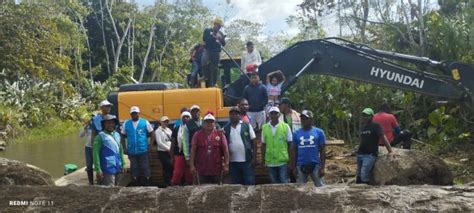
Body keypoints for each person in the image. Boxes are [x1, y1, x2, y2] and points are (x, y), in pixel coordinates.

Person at [357, 108, 395, 184]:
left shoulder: (376, 126)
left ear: (371, 116)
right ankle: (357, 193)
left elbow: (383, 138)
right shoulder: (363, 127)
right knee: (358, 175)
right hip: (360, 154)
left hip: (370, 155)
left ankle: (366, 192)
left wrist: (390, 151)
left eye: (367, 115)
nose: (364, 117)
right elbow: (362, 139)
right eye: (363, 115)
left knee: (364, 174)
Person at [190, 112, 229, 184]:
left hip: (216, 168)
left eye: (211, 122)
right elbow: (193, 150)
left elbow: (225, 149)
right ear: (203, 123)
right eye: (207, 122)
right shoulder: (197, 135)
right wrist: (192, 165)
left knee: (217, 191)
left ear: (214, 123)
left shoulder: (220, 134)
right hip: (202, 169)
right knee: (201, 190)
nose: (209, 124)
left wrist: (226, 165)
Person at [289, 110, 326, 187]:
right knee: (300, 189)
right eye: (302, 119)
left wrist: (322, 167)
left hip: (315, 165)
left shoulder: (319, 132)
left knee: (321, 187)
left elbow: (323, 150)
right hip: (300, 165)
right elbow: (294, 151)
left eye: (306, 118)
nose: (304, 121)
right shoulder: (296, 133)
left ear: (311, 120)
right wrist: (293, 167)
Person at [121, 106, 154, 186]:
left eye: (136, 113)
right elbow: (122, 135)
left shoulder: (145, 122)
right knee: (134, 167)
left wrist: (150, 145)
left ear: (139, 113)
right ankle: (136, 183)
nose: (134, 115)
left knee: (145, 167)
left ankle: (148, 183)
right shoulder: (126, 123)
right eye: (132, 113)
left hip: (143, 150)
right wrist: (124, 148)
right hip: (131, 151)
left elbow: (152, 133)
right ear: (130, 114)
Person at [223, 107, 257, 185]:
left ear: (240, 115)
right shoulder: (225, 128)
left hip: (246, 161)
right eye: (232, 114)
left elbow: (254, 142)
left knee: (249, 182)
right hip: (233, 162)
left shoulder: (246, 126)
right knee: (236, 184)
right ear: (229, 116)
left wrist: (254, 158)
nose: (234, 115)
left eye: (236, 114)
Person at [261, 106, 293, 184]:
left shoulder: (285, 126)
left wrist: (291, 160)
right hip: (270, 161)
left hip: (282, 160)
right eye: (272, 113)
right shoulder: (265, 127)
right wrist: (263, 159)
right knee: (273, 183)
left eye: (276, 113)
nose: (274, 115)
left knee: (284, 181)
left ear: (279, 115)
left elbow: (290, 144)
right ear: (269, 115)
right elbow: (263, 144)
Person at [93, 114, 125, 186]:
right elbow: (95, 154)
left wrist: (123, 164)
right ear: (104, 124)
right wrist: (98, 169)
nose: (110, 125)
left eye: (112, 123)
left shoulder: (117, 135)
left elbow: (120, 150)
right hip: (107, 168)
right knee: (109, 188)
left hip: (117, 166)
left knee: (117, 187)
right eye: (108, 123)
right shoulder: (99, 137)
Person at [170, 111, 194, 186]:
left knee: (189, 172)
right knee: (177, 171)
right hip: (179, 153)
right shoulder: (176, 129)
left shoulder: (193, 129)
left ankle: (189, 186)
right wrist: (171, 156)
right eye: (184, 117)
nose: (186, 118)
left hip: (190, 154)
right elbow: (173, 144)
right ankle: (174, 185)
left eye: (187, 117)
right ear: (181, 118)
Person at [202, 17, 226, 87]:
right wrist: (213, 37)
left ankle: (214, 82)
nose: (218, 27)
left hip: (216, 52)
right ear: (214, 24)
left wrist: (221, 38)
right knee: (204, 61)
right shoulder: (207, 30)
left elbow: (223, 44)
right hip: (208, 50)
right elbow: (205, 39)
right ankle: (205, 76)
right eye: (218, 25)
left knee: (215, 68)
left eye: (220, 26)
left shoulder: (220, 33)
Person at [154, 116, 173, 187]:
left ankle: (171, 181)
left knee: (171, 166)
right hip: (162, 152)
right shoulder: (158, 131)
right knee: (167, 166)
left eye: (167, 121)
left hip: (169, 151)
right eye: (164, 121)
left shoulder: (169, 130)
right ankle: (167, 182)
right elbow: (159, 143)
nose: (165, 123)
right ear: (161, 122)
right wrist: (168, 149)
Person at [79, 115, 94, 185]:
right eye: (92, 118)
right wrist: (85, 127)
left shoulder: (99, 126)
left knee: (99, 164)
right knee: (89, 165)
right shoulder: (87, 127)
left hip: (96, 147)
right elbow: (81, 135)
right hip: (88, 147)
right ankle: (91, 182)